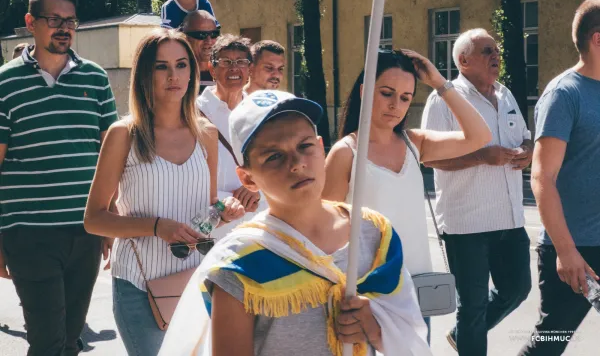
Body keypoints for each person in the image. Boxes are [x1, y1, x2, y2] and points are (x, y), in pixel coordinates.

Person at [159, 89, 432, 356]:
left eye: (305, 146)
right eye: (274, 156)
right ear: (247, 179)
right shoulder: (239, 262)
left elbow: (409, 330)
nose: (297, 163)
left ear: (321, 147)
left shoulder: (375, 234)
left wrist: (373, 327)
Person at [84, 28, 244, 356]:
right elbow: (94, 219)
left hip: (195, 280)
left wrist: (224, 208)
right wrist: (157, 227)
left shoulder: (207, 135)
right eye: (161, 66)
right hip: (138, 285)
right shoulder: (123, 134)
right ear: (145, 74)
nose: (174, 75)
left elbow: (207, 211)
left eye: (182, 65)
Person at [322, 49, 492, 343]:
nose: (395, 105)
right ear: (365, 91)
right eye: (387, 93)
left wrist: (439, 82)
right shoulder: (345, 152)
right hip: (367, 292)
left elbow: (479, 136)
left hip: (416, 289)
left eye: (405, 97)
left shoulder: (415, 143)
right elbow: (324, 232)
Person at [0, 0, 118, 356]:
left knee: (69, 340)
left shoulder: (96, 78)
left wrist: (108, 220)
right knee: (48, 341)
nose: (64, 28)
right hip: (28, 232)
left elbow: (109, 155)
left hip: (84, 230)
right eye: (54, 20)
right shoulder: (5, 83)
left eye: (71, 21)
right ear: (31, 23)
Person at [421, 28, 533, 355]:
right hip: (466, 223)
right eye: (486, 51)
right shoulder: (443, 99)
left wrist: (527, 149)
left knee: (517, 289)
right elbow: (431, 158)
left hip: (509, 217)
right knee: (473, 305)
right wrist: (481, 157)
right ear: (463, 60)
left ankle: (463, 334)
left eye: (496, 50)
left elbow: (524, 135)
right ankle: (469, 336)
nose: (495, 56)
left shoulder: (506, 94)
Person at [518, 0, 600, 356]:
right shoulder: (564, 94)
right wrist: (566, 251)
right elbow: (542, 178)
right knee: (549, 344)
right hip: (576, 250)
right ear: (598, 40)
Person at [197, 34, 264, 238]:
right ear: (212, 68)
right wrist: (225, 202)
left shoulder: (260, 113)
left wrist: (258, 186)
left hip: (255, 230)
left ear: (250, 70)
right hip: (212, 227)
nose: (234, 68)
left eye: (241, 62)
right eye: (226, 62)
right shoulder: (194, 113)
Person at [181, 10, 219, 92]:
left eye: (213, 34)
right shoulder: (179, 74)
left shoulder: (224, 71)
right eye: (201, 35)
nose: (209, 41)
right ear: (185, 37)